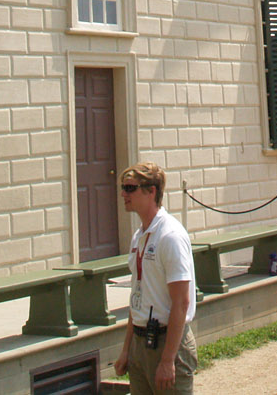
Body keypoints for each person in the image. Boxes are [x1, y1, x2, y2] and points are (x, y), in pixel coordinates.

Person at [114, 162, 197, 394]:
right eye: (123, 188)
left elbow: (181, 302)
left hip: (167, 341)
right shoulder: (139, 236)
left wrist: (168, 360)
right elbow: (137, 296)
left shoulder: (170, 236)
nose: (123, 194)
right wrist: (127, 349)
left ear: (151, 191)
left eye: (130, 188)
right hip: (140, 341)